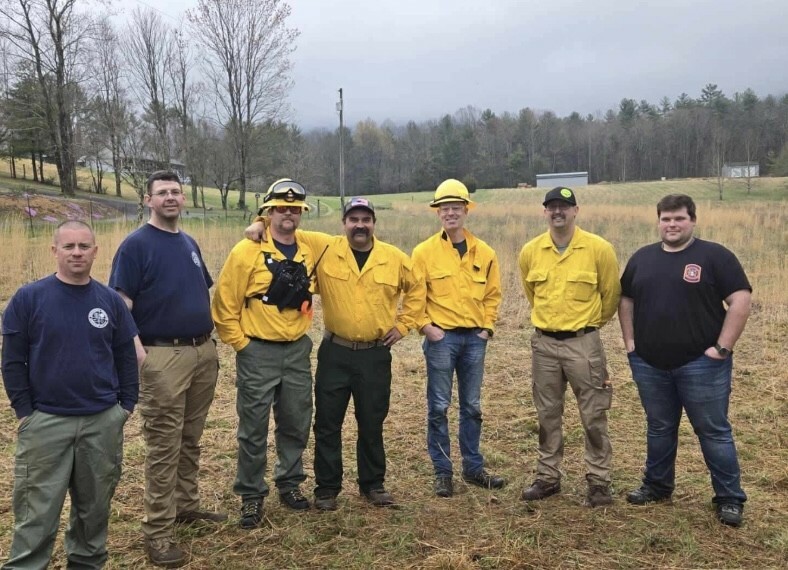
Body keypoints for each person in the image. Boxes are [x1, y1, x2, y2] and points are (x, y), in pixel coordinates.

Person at [244, 196, 425, 510]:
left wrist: (405, 324)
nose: (359, 225)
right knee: (328, 423)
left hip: (375, 353)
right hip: (335, 352)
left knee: (371, 421)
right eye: (353, 219)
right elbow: (286, 228)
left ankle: (373, 485)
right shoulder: (324, 248)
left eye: (365, 219)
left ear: (373, 224)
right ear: (344, 224)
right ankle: (327, 489)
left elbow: (418, 286)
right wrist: (259, 223)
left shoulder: (393, 257)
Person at [1, 221, 138, 570]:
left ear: (95, 251)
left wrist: (125, 406)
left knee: (94, 509)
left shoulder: (109, 300)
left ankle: (87, 562)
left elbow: (125, 355)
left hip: (102, 421)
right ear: (54, 251)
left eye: (83, 246)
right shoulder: (29, 298)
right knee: (36, 510)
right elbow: (13, 360)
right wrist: (25, 412)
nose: (76, 252)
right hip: (46, 422)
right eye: (68, 246)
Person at [109, 171, 224, 568]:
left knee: (190, 438)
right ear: (148, 200)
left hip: (201, 354)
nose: (170, 197)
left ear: (183, 197)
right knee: (164, 446)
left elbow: (197, 291)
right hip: (162, 358)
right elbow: (120, 303)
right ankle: (157, 532)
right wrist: (136, 349)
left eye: (175, 191)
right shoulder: (135, 246)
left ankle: (186, 506)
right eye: (162, 193)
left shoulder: (188, 242)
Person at [619, 194, 751, 527]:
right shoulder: (642, 258)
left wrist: (722, 347)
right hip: (649, 364)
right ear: (658, 221)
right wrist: (631, 343)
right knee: (660, 428)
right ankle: (657, 486)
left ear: (692, 220)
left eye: (679, 218)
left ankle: (729, 498)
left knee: (713, 431)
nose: (672, 225)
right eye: (666, 218)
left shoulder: (715, 256)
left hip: (702, 364)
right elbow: (626, 299)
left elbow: (740, 299)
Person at [212, 179, 317, 528]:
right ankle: (251, 496)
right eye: (282, 208)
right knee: (253, 428)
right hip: (258, 350)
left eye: (295, 209)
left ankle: (289, 483)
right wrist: (241, 345)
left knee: (296, 421)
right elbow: (224, 305)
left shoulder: (309, 247)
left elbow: (351, 240)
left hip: (297, 351)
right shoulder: (246, 250)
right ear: (269, 210)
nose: (289, 214)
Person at [518, 186, 620, 507]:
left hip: (584, 344)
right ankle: (548, 477)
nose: (558, 212)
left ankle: (599, 482)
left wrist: (586, 328)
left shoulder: (598, 249)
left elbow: (610, 297)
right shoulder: (530, 251)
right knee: (547, 413)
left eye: (564, 206)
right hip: (544, 345)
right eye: (552, 207)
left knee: (593, 415)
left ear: (576, 211)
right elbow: (531, 294)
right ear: (544, 212)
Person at [411, 179, 504, 498]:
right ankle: (443, 472)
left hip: (474, 341)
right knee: (438, 406)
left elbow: (493, 294)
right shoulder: (423, 253)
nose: (450, 213)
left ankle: (473, 468)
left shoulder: (486, 252)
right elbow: (414, 296)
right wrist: (425, 326)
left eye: (456, 208)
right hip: (441, 340)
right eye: (444, 208)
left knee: (472, 406)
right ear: (437, 213)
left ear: (466, 211)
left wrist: (487, 327)